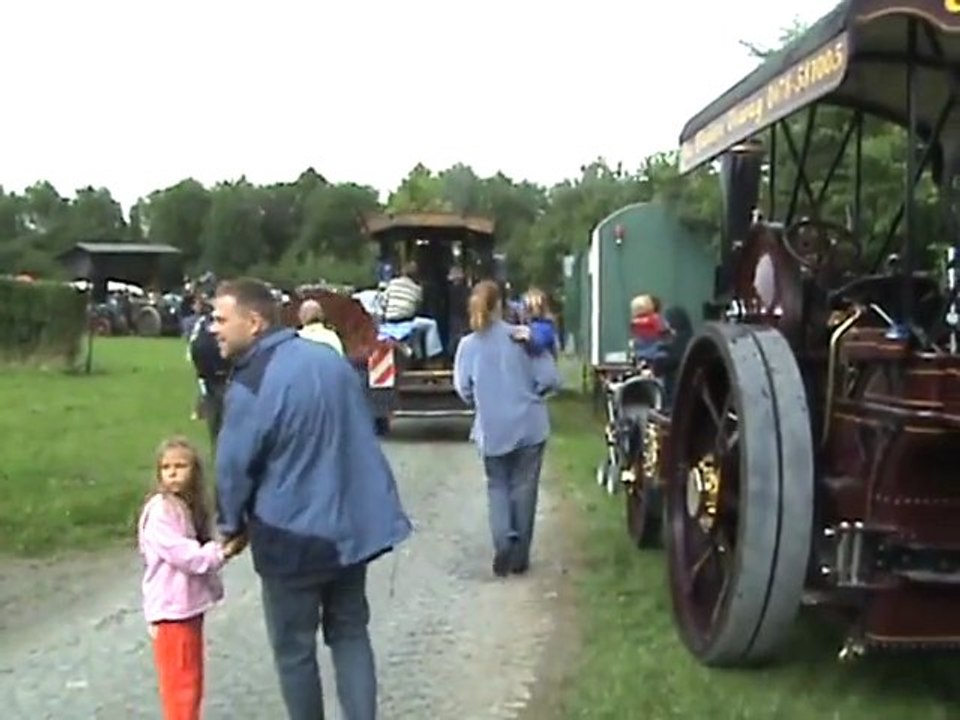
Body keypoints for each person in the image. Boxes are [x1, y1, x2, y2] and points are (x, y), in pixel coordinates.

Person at [210, 277, 412, 720]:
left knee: (294, 650)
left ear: (255, 322)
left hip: (291, 537)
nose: (213, 328)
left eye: (221, 319)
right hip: (347, 533)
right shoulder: (329, 361)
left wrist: (231, 524)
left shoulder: (251, 384)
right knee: (350, 634)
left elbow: (233, 467)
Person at [453, 280, 561, 577]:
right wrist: (533, 392)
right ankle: (519, 557)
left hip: (491, 427)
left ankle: (503, 540)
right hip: (529, 424)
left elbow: (463, 388)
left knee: (497, 486)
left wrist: (482, 400)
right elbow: (551, 379)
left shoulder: (468, 346)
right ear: (501, 304)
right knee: (525, 488)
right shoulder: (522, 338)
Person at [138, 436, 244, 720]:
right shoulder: (161, 512)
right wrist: (222, 553)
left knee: (191, 682)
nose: (172, 473)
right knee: (181, 685)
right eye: (166, 467)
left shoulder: (184, 507)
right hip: (171, 612)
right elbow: (186, 556)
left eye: (180, 466)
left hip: (186, 607)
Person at [187, 296, 231, 447]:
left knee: (217, 421)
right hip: (221, 376)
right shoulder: (209, 329)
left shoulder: (203, 327)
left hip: (213, 377)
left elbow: (195, 348)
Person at [510, 287, 558, 358]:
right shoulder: (525, 324)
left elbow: (538, 344)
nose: (524, 310)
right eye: (525, 307)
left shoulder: (546, 327)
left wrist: (528, 338)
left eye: (529, 308)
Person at [629, 293, 667, 362]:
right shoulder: (656, 319)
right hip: (656, 355)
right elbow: (664, 331)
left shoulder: (633, 323)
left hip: (640, 355)